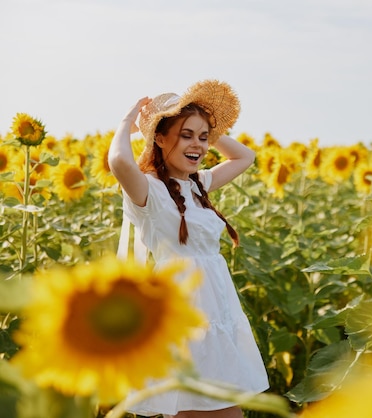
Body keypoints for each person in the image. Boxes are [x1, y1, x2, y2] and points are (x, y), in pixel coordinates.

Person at [108, 79, 269, 418]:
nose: (198, 145)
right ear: (159, 138)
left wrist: (201, 121)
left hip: (218, 312)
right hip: (181, 312)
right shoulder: (147, 190)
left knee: (229, 409)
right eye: (185, 135)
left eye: (203, 137)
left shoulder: (198, 183)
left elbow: (245, 156)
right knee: (187, 408)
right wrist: (130, 123)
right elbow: (120, 162)